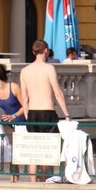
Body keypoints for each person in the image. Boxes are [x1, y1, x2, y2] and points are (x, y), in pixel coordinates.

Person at [19, 40, 71, 181]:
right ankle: (47, 180)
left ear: (33, 52)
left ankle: (33, 182)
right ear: (46, 51)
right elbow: (58, 93)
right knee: (49, 149)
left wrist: (27, 116)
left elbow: (24, 99)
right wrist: (66, 114)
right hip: (47, 112)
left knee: (34, 151)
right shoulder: (49, 68)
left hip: (32, 113)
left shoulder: (25, 71)